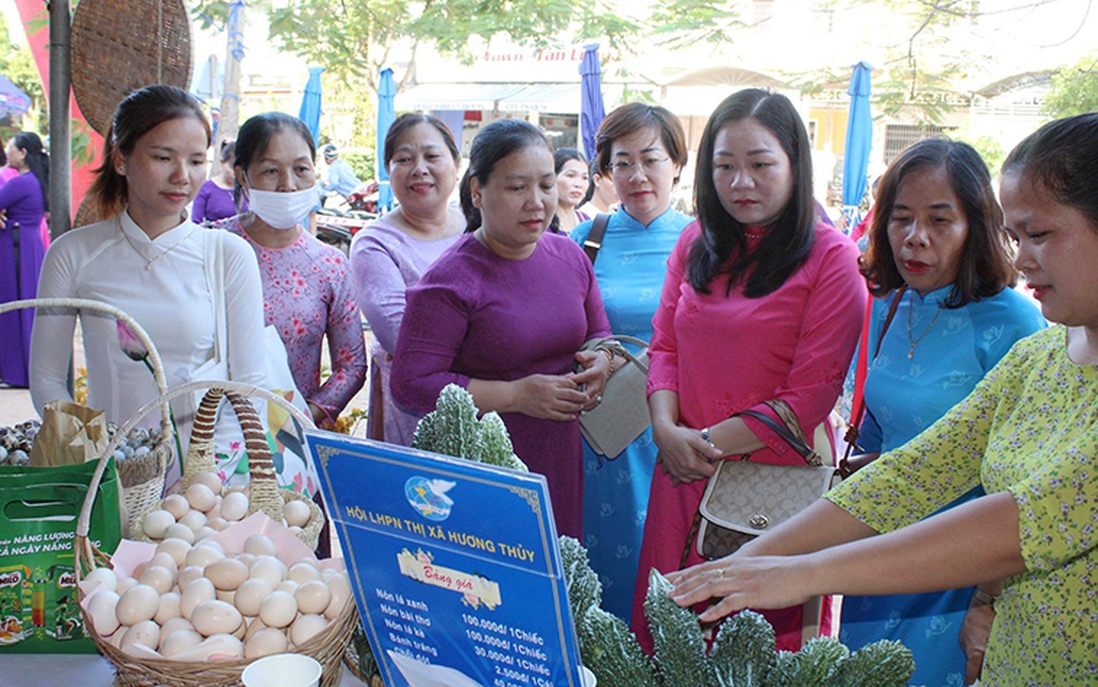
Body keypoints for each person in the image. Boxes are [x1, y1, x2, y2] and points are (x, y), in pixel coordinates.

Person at [667, 112, 1098, 687]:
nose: (1021, 259)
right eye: (1017, 238)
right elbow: (911, 474)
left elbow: (1018, 527)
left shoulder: (1014, 332)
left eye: (1039, 236)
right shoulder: (1038, 360)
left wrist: (797, 573)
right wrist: (748, 559)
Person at [632, 88, 865, 652]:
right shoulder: (695, 242)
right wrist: (665, 430)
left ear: (794, 164)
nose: (741, 183)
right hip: (681, 472)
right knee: (667, 639)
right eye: (725, 166)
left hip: (771, 485)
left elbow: (808, 396)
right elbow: (663, 348)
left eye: (761, 165)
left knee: (754, 645)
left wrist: (701, 444)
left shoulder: (831, 258)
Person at [838, 138, 1045, 687]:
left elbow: (1031, 481)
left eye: (940, 220)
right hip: (878, 549)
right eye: (900, 217)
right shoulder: (886, 305)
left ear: (976, 226)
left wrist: (988, 598)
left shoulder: (1016, 325)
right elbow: (879, 433)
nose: (915, 237)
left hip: (965, 566)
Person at [30, 84, 266, 485]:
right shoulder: (73, 252)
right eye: (162, 157)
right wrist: (91, 454)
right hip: (108, 471)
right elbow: (48, 377)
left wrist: (204, 478)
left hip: (208, 481)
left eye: (196, 161)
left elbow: (249, 385)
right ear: (121, 158)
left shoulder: (228, 255)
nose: (182, 176)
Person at [391, 119, 614, 540]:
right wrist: (514, 395)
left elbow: (599, 332)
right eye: (517, 188)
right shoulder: (449, 282)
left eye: (546, 186)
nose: (536, 202)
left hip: (562, 459)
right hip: (483, 472)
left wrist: (602, 359)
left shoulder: (570, 256)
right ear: (478, 190)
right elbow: (410, 385)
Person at [568, 102, 692, 624]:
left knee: (668, 573)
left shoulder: (705, 243)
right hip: (601, 435)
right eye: (622, 163)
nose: (637, 175)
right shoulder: (582, 242)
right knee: (597, 566)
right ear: (605, 172)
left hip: (676, 430)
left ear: (677, 164)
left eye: (651, 159)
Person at [220, 112, 366, 431]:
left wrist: (296, 420)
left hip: (292, 445)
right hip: (209, 435)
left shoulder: (330, 264)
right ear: (243, 176)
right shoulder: (211, 247)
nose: (288, 185)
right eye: (271, 170)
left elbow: (351, 366)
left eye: (301, 169)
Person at [350, 113, 465, 445]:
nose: (419, 168)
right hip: (413, 414)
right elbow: (405, 339)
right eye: (404, 159)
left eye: (432, 156)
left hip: (493, 409)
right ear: (389, 170)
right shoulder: (374, 243)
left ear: (456, 165)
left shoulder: (480, 227)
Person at [0, 132, 49, 387]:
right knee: (26, 308)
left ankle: (14, 372)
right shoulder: (36, 181)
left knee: (11, 308)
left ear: (23, 153)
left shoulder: (22, 182)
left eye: (11, 147)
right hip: (29, 244)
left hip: (14, 247)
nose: (7, 151)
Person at [193, 139, 248, 224]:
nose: (236, 173)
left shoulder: (246, 190)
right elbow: (196, 220)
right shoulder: (206, 189)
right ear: (222, 162)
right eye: (232, 168)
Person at [553, 147, 589, 233]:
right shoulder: (541, 224)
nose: (578, 184)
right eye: (570, 176)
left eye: (584, 177)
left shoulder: (586, 222)